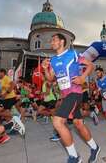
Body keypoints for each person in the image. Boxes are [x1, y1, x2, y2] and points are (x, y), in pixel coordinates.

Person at [43, 33, 100, 163]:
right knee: (78, 123)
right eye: (51, 40)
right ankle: (95, 148)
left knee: (58, 122)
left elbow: (91, 65)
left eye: (54, 40)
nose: (51, 42)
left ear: (62, 42)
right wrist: (46, 69)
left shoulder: (73, 54)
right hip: (65, 95)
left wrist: (82, 77)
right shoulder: (53, 60)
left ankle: (74, 156)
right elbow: (50, 78)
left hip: (75, 92)